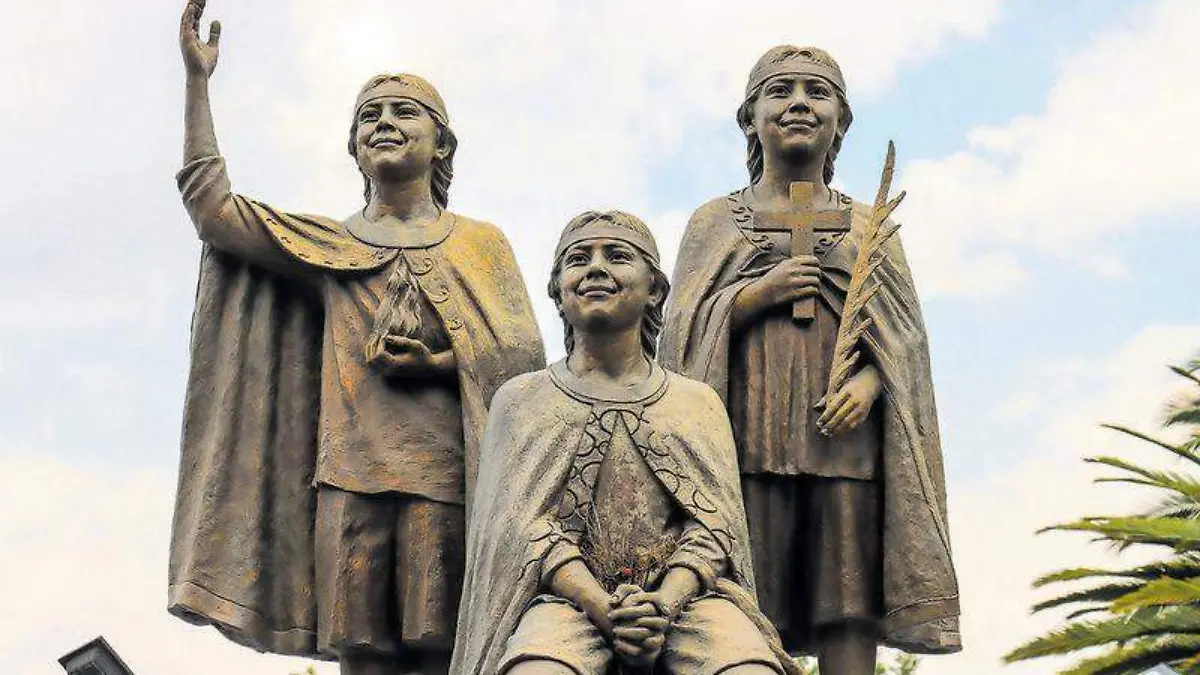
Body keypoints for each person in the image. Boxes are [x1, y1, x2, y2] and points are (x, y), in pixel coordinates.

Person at [168, 2, 545, 673]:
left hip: (446, 482)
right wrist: (197, 84)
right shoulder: (330, 244)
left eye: (404, 113)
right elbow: (215, 212)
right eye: (369, 116)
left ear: (442, 145)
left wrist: (440, 362)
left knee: (445, 648)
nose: (384, 124)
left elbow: (523, 364)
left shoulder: (480, 245)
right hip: (346, 479)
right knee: (361, 653)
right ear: (353, 148)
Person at [659, 46, 961, 674]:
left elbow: (905, 344)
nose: (798, 103)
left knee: (847, 601)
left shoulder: (869, 228)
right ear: (749, 118)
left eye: (816, 92)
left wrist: (871, 384)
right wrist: (754, 296)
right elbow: (680, 334)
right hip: (745, 442)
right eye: (781, 91)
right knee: (745, 593)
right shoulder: (714, 223)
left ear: (840, 121)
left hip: (843, 443)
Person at [452, 211, 798, 675]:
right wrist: (599, 605)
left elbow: (717, 528)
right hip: (565, 602)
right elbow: (521, 530)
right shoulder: (522, 400)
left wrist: (664, 603)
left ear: (655, 289)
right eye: (578, 259)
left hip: (691, 600)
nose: (596, 268)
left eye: (616, 256)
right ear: (557, 291)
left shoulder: (695, 403)